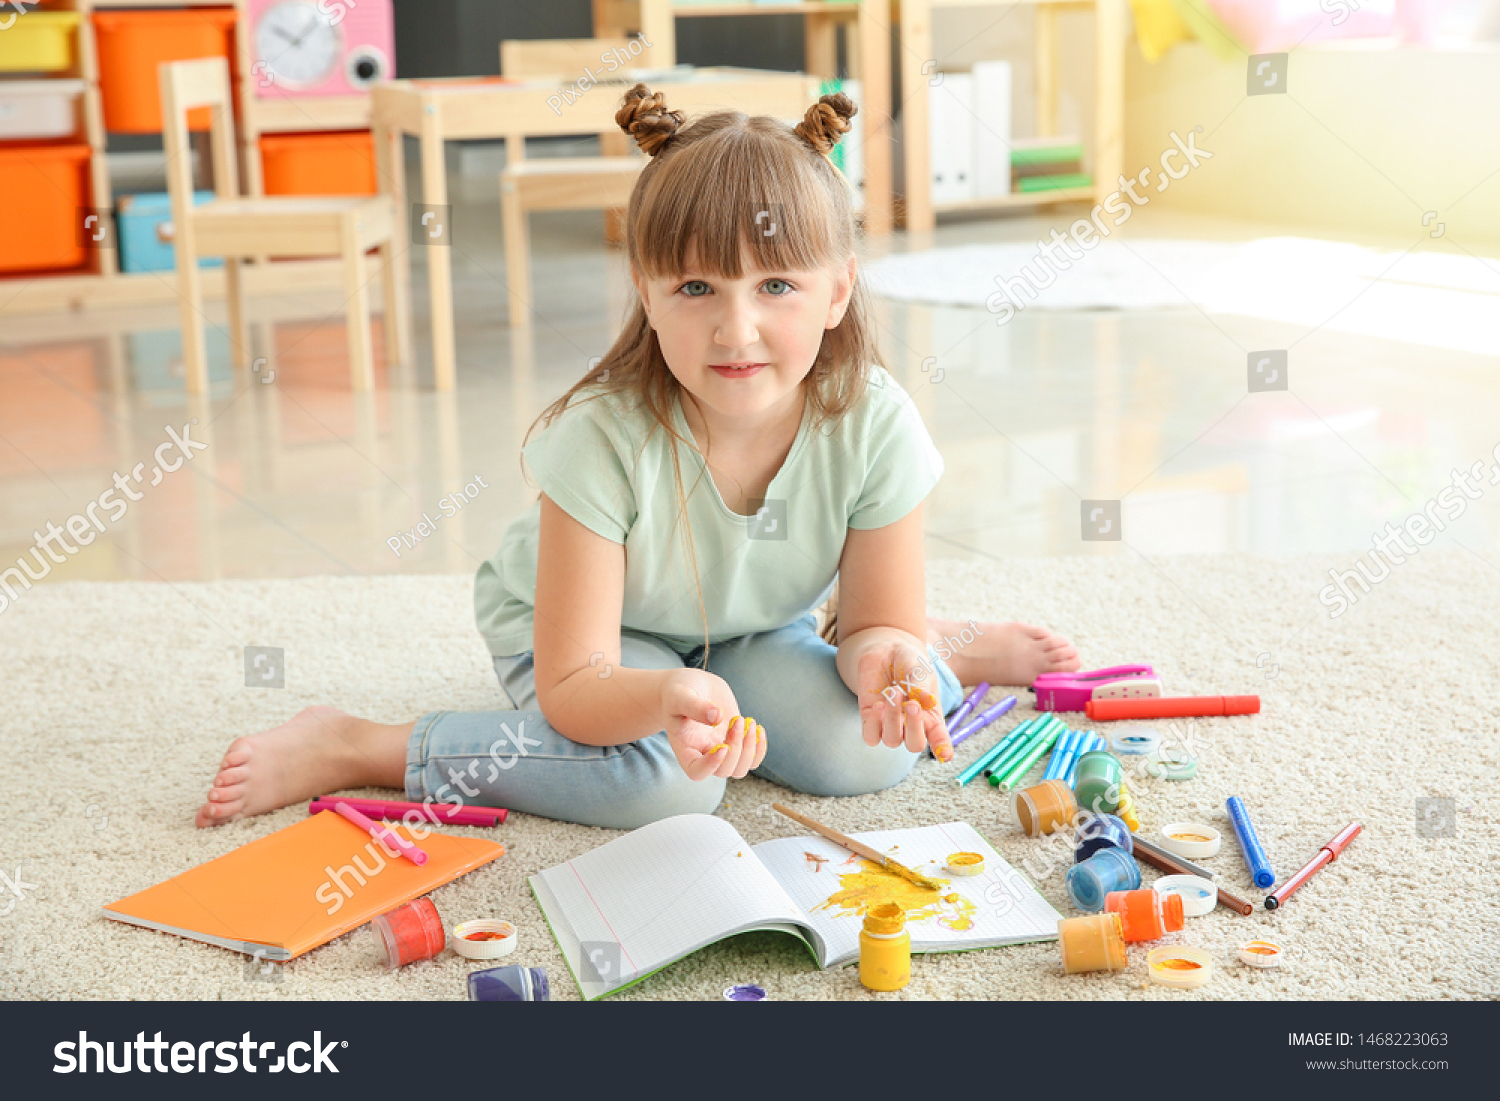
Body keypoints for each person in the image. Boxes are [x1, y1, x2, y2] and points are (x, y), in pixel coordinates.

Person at [196, 85, 1080, 832]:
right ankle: (359, 742)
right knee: (665, 784)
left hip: (749, 624)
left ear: (839, 290)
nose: (737, 330)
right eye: (696, 287)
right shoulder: (601, 436)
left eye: (777, 285)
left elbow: (872, 626)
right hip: (592, 647)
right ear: (646, 295)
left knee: (868, 752)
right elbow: (576, 685)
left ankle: (937, 646)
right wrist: (664, 698)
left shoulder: (876, 422)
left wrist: (886, 655)